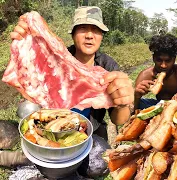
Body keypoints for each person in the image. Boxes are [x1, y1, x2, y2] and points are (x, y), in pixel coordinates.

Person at [11, 6, 133, 137]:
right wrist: (24, 42)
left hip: (92, 132)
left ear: (101, 36)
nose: (90, 36)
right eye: (83, 29)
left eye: (96, 30)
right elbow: (31, 76)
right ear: (73, 34)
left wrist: (122, 104)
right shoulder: (55, 58)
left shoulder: (108, 67)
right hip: (53, 128)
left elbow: (118, 120)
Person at [134, 34, 177, 110]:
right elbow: (133, 106)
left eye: (168, 61)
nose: (163, 65)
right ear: (153, 58)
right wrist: (136, 95)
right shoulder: (146, 75)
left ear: (174, 59)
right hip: (158, 104)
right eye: (159, 60)